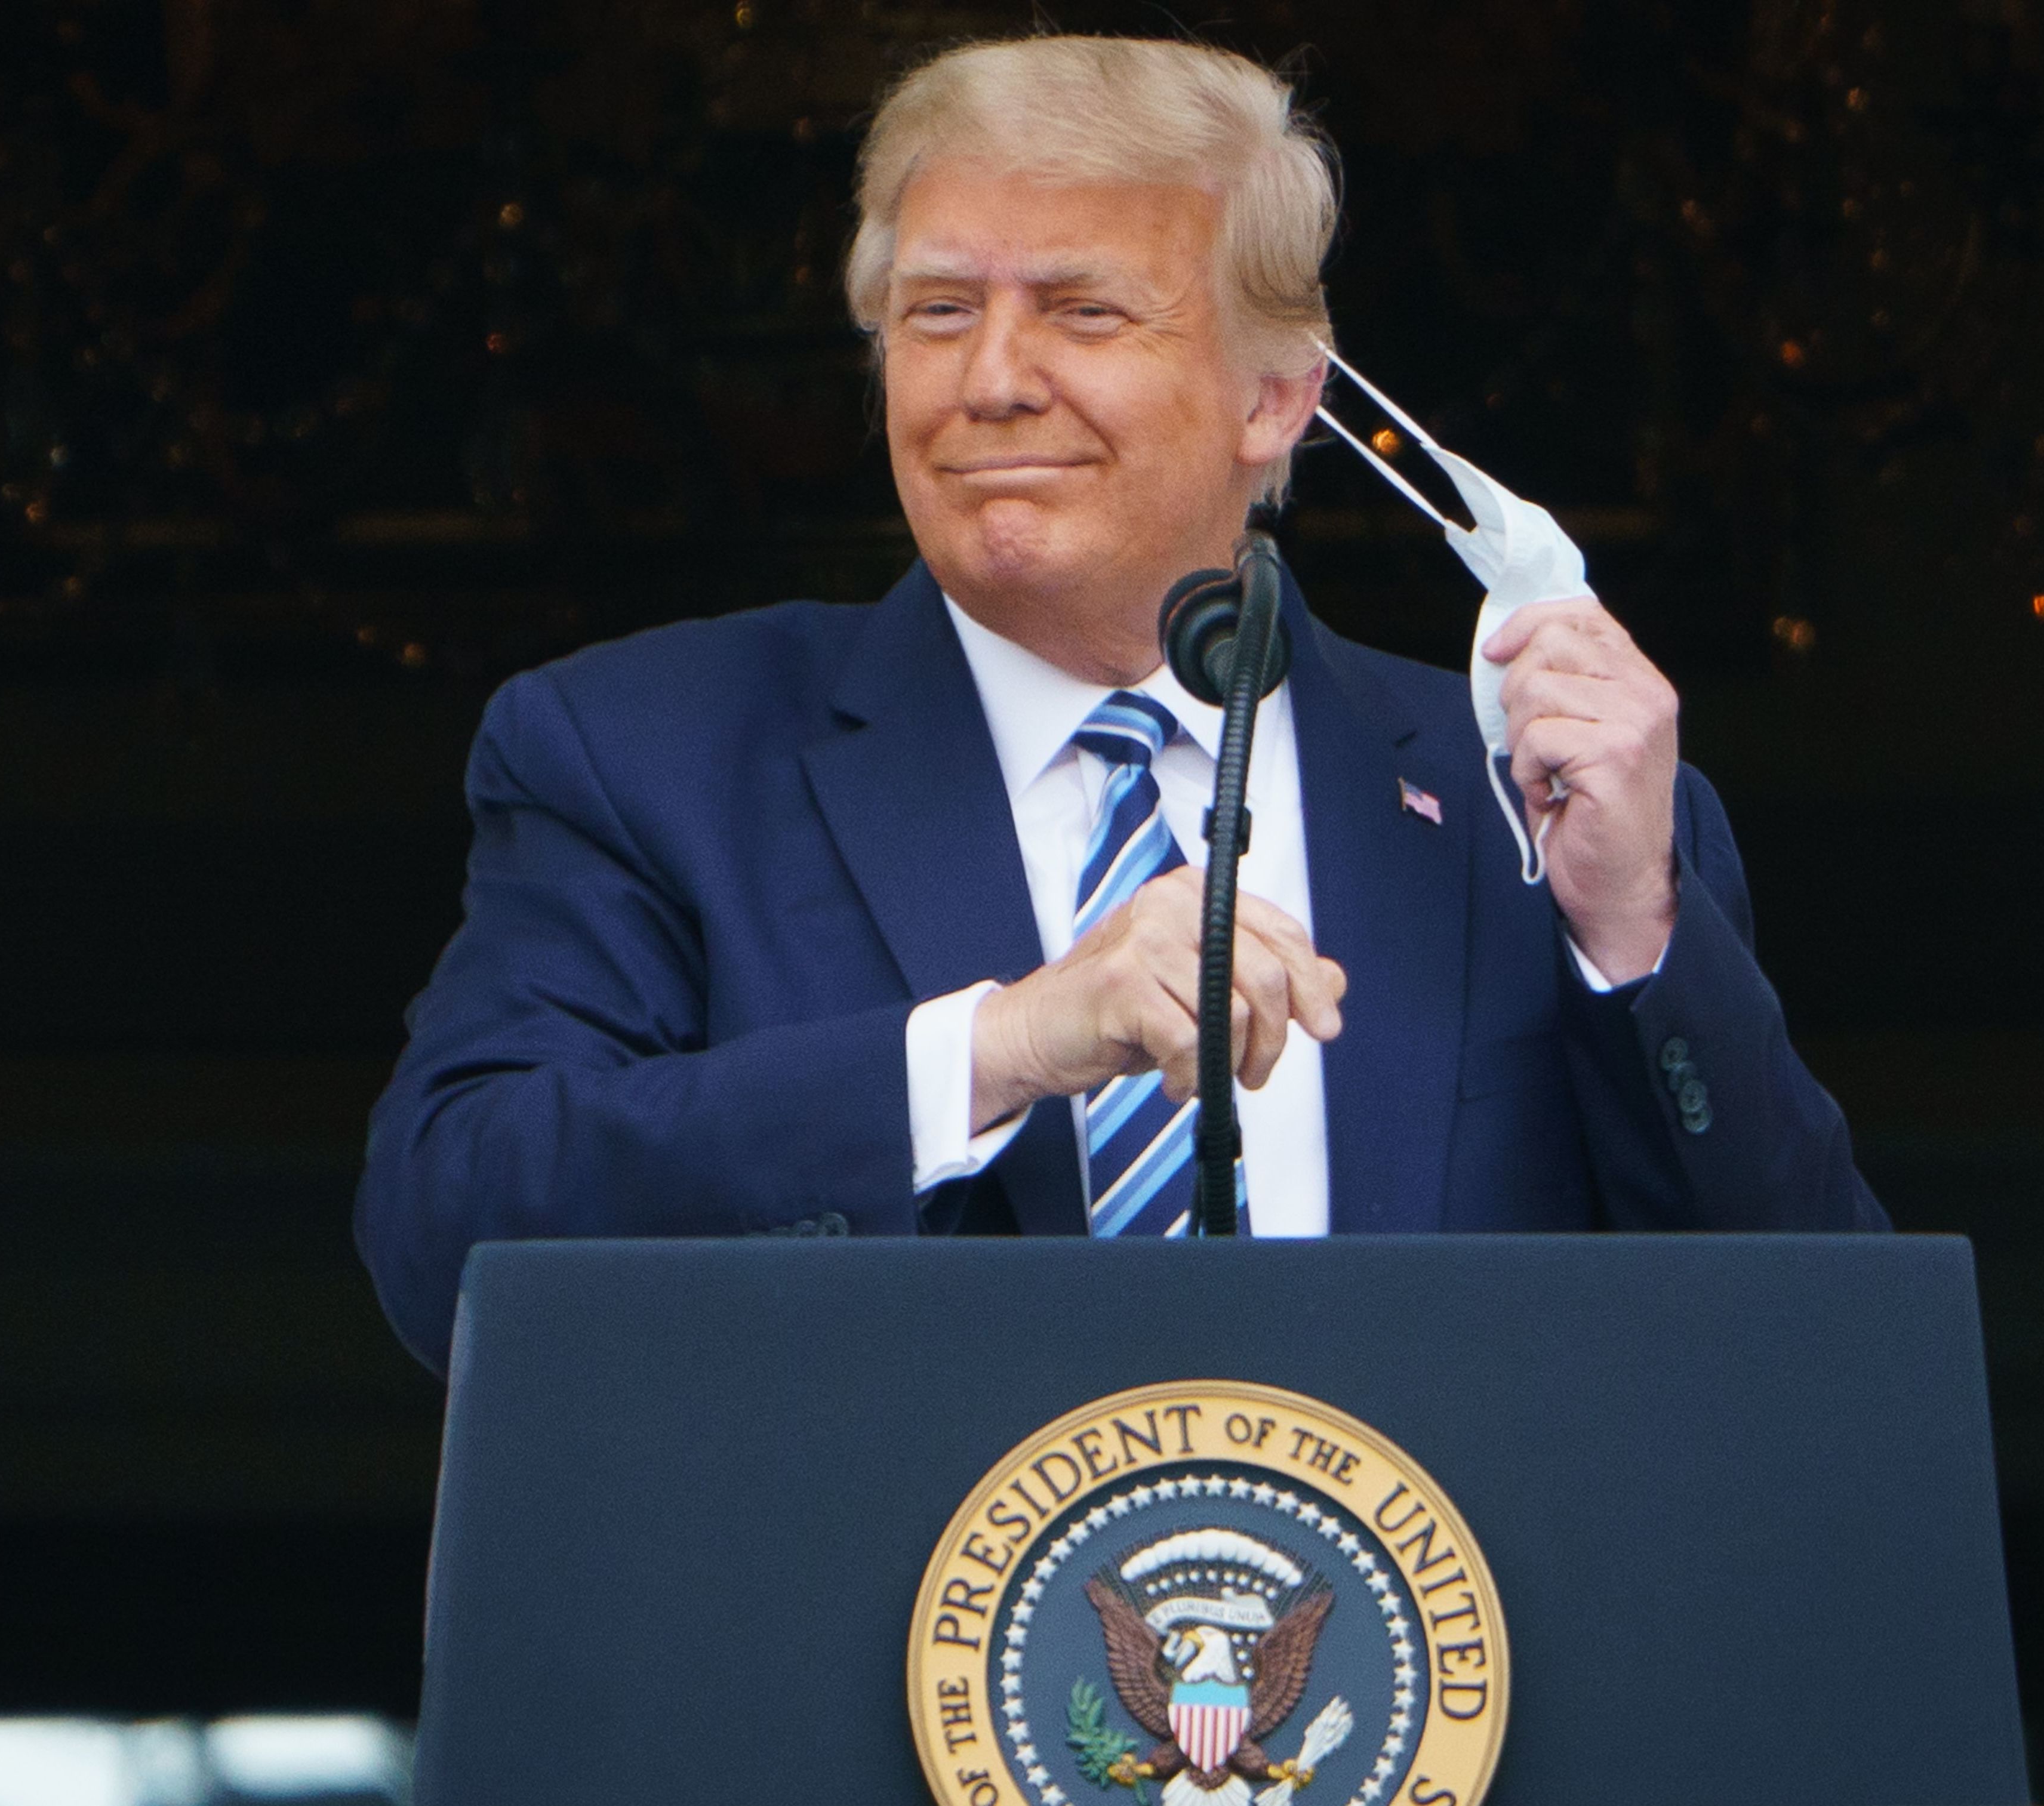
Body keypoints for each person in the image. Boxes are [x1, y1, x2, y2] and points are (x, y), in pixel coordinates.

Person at [355, 35, 1886, 1374]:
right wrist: (1006, 1046)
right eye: (941, 311)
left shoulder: (1532, 802)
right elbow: (455, 1235)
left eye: (1084, 312)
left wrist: (1634, 938)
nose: (994, 379)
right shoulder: (645, 753)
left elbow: (1820, 1360)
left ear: (1277, 395)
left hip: (1436, 1692)